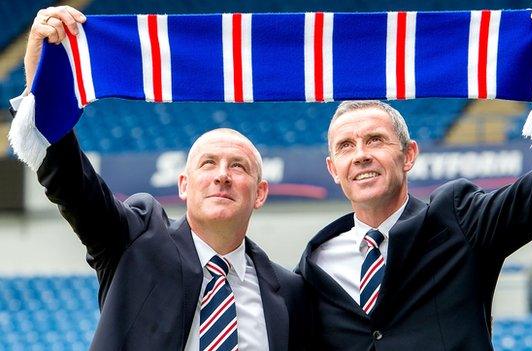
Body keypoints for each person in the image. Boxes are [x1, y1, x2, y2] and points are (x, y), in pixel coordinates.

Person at [297, 2, 532, 350]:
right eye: (346, 146)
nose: (361, 154)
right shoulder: (311, 267)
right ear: (332, 169)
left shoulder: (459, 219)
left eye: (375, 140)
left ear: (409, 155)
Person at [9, 6, 310, 351]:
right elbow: (71, 182)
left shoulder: (291, 293)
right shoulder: (134, 241)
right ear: (183, 185)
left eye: (238, 167)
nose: (222, 176)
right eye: (208, 163)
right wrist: (42, 79)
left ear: (260, 193)